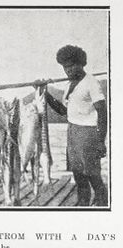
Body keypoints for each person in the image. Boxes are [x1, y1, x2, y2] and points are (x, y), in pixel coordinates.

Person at [35, 45, 108, 206]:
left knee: (93, 174)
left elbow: (102, 113)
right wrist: (44, 94)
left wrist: (101, 141)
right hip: (72, 131)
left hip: (89, 133)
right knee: (78, 174)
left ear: (81, 63)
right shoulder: (69, 85)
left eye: (71, 66)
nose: (68, 70)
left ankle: (103, 205)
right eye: (65, 67)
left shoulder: (91, 83)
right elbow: (64, 111)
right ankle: (83, 204)